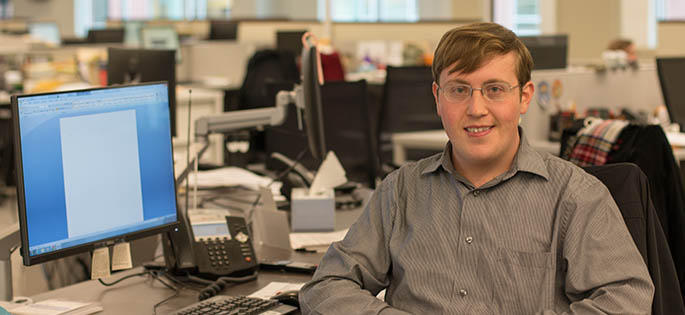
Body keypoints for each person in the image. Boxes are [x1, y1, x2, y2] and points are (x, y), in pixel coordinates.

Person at [299, 22, 654, 314]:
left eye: (495, 89)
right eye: (459, 90)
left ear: (524, 97)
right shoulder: (401, 190)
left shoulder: (573, 194)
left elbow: (626, 298)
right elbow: (327, 284)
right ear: (438, 98)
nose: (476, 108)